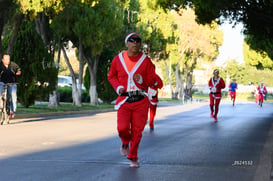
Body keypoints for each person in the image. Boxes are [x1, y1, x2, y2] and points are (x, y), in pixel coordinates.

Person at [108, 32, 157, 168]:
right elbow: (111, 76)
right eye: (132, 40)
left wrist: (142, 80)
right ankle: (125, 141)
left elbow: (153, 79)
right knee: (122, 128)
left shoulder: (145, 60)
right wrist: (118, 87)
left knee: (137, 131)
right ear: (127, 43)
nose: (135, 43)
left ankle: (133, 155)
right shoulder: (118, 59)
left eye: (138, 41)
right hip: (124, 99)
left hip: (141, 100)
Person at [0, 54, 21, 118]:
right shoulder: (0, 65)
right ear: (2, 60)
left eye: (8, 59)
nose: (7, 60)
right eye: (6, 59)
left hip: (12, 83)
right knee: (0, 90)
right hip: (2, 82)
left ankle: (12, 110)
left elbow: (18, 70)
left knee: (13, 95)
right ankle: (0, 105)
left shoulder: (13, 65)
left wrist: (18, 73)